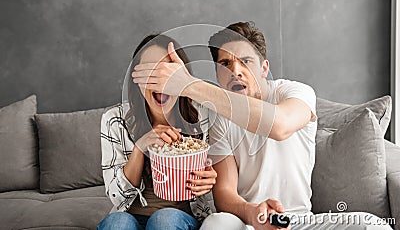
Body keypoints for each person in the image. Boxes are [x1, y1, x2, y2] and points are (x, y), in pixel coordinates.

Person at [132, 22, 391, 229]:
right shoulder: (219, 118)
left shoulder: (295, 92)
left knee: (370, 224)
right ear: (217, 75)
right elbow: (224, 194)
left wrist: (188, 85)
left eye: (246, 61)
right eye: (225, 64)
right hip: (248, 223)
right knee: (216, 223)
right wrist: (254, 213)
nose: (236, 71)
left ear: (264, 68)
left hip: (299, 221)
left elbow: (280, 125)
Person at [98, 34, 217, 230]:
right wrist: (139, 149)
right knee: (116, 223)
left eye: (168, 72)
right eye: (150, 72)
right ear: (137, 79)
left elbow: (218, 194)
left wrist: (210, 182)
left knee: (164, 219)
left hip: (181, 219)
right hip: (130, 216)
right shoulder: (114, 120)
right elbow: (116, 197)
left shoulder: (204, 116)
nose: (160, 80)